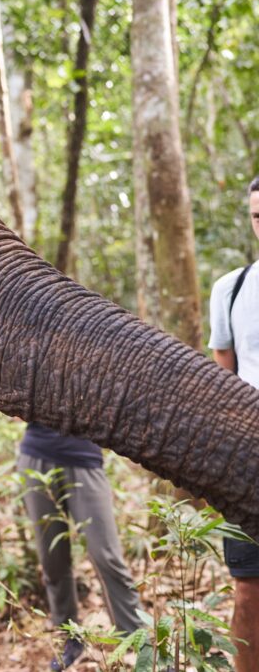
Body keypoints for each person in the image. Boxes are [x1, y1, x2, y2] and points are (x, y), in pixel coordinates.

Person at [18, 422, 144, 671]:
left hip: (85, 459)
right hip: (35, 456)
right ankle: (69, 639)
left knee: (105, 556)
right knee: (53, 560)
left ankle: (143, 644)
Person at [208, 176, 259, 672]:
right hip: (251, 458)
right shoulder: (231, 288)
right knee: (248, 590)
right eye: (258, 216)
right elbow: (222, 385)